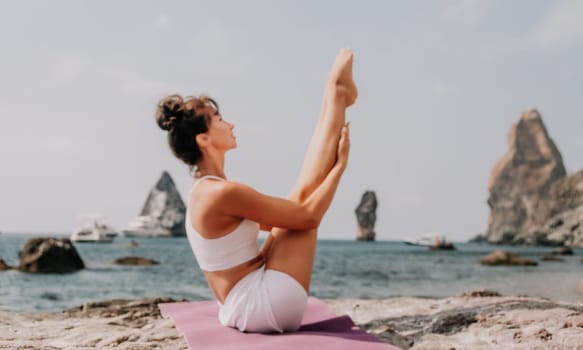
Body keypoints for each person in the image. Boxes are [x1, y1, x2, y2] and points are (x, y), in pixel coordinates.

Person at [156, 49, 357, 333]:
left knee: (293, 208)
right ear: (204, 139)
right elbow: (309, 219)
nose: (231, 124)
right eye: (219, 119)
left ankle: (334, 98)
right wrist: (340, 166)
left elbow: (291, 214)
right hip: (264, 308)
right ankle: (336, 97)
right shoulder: (220, 194)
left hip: (243, 305)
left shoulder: (208, 191)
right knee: (299, 217)